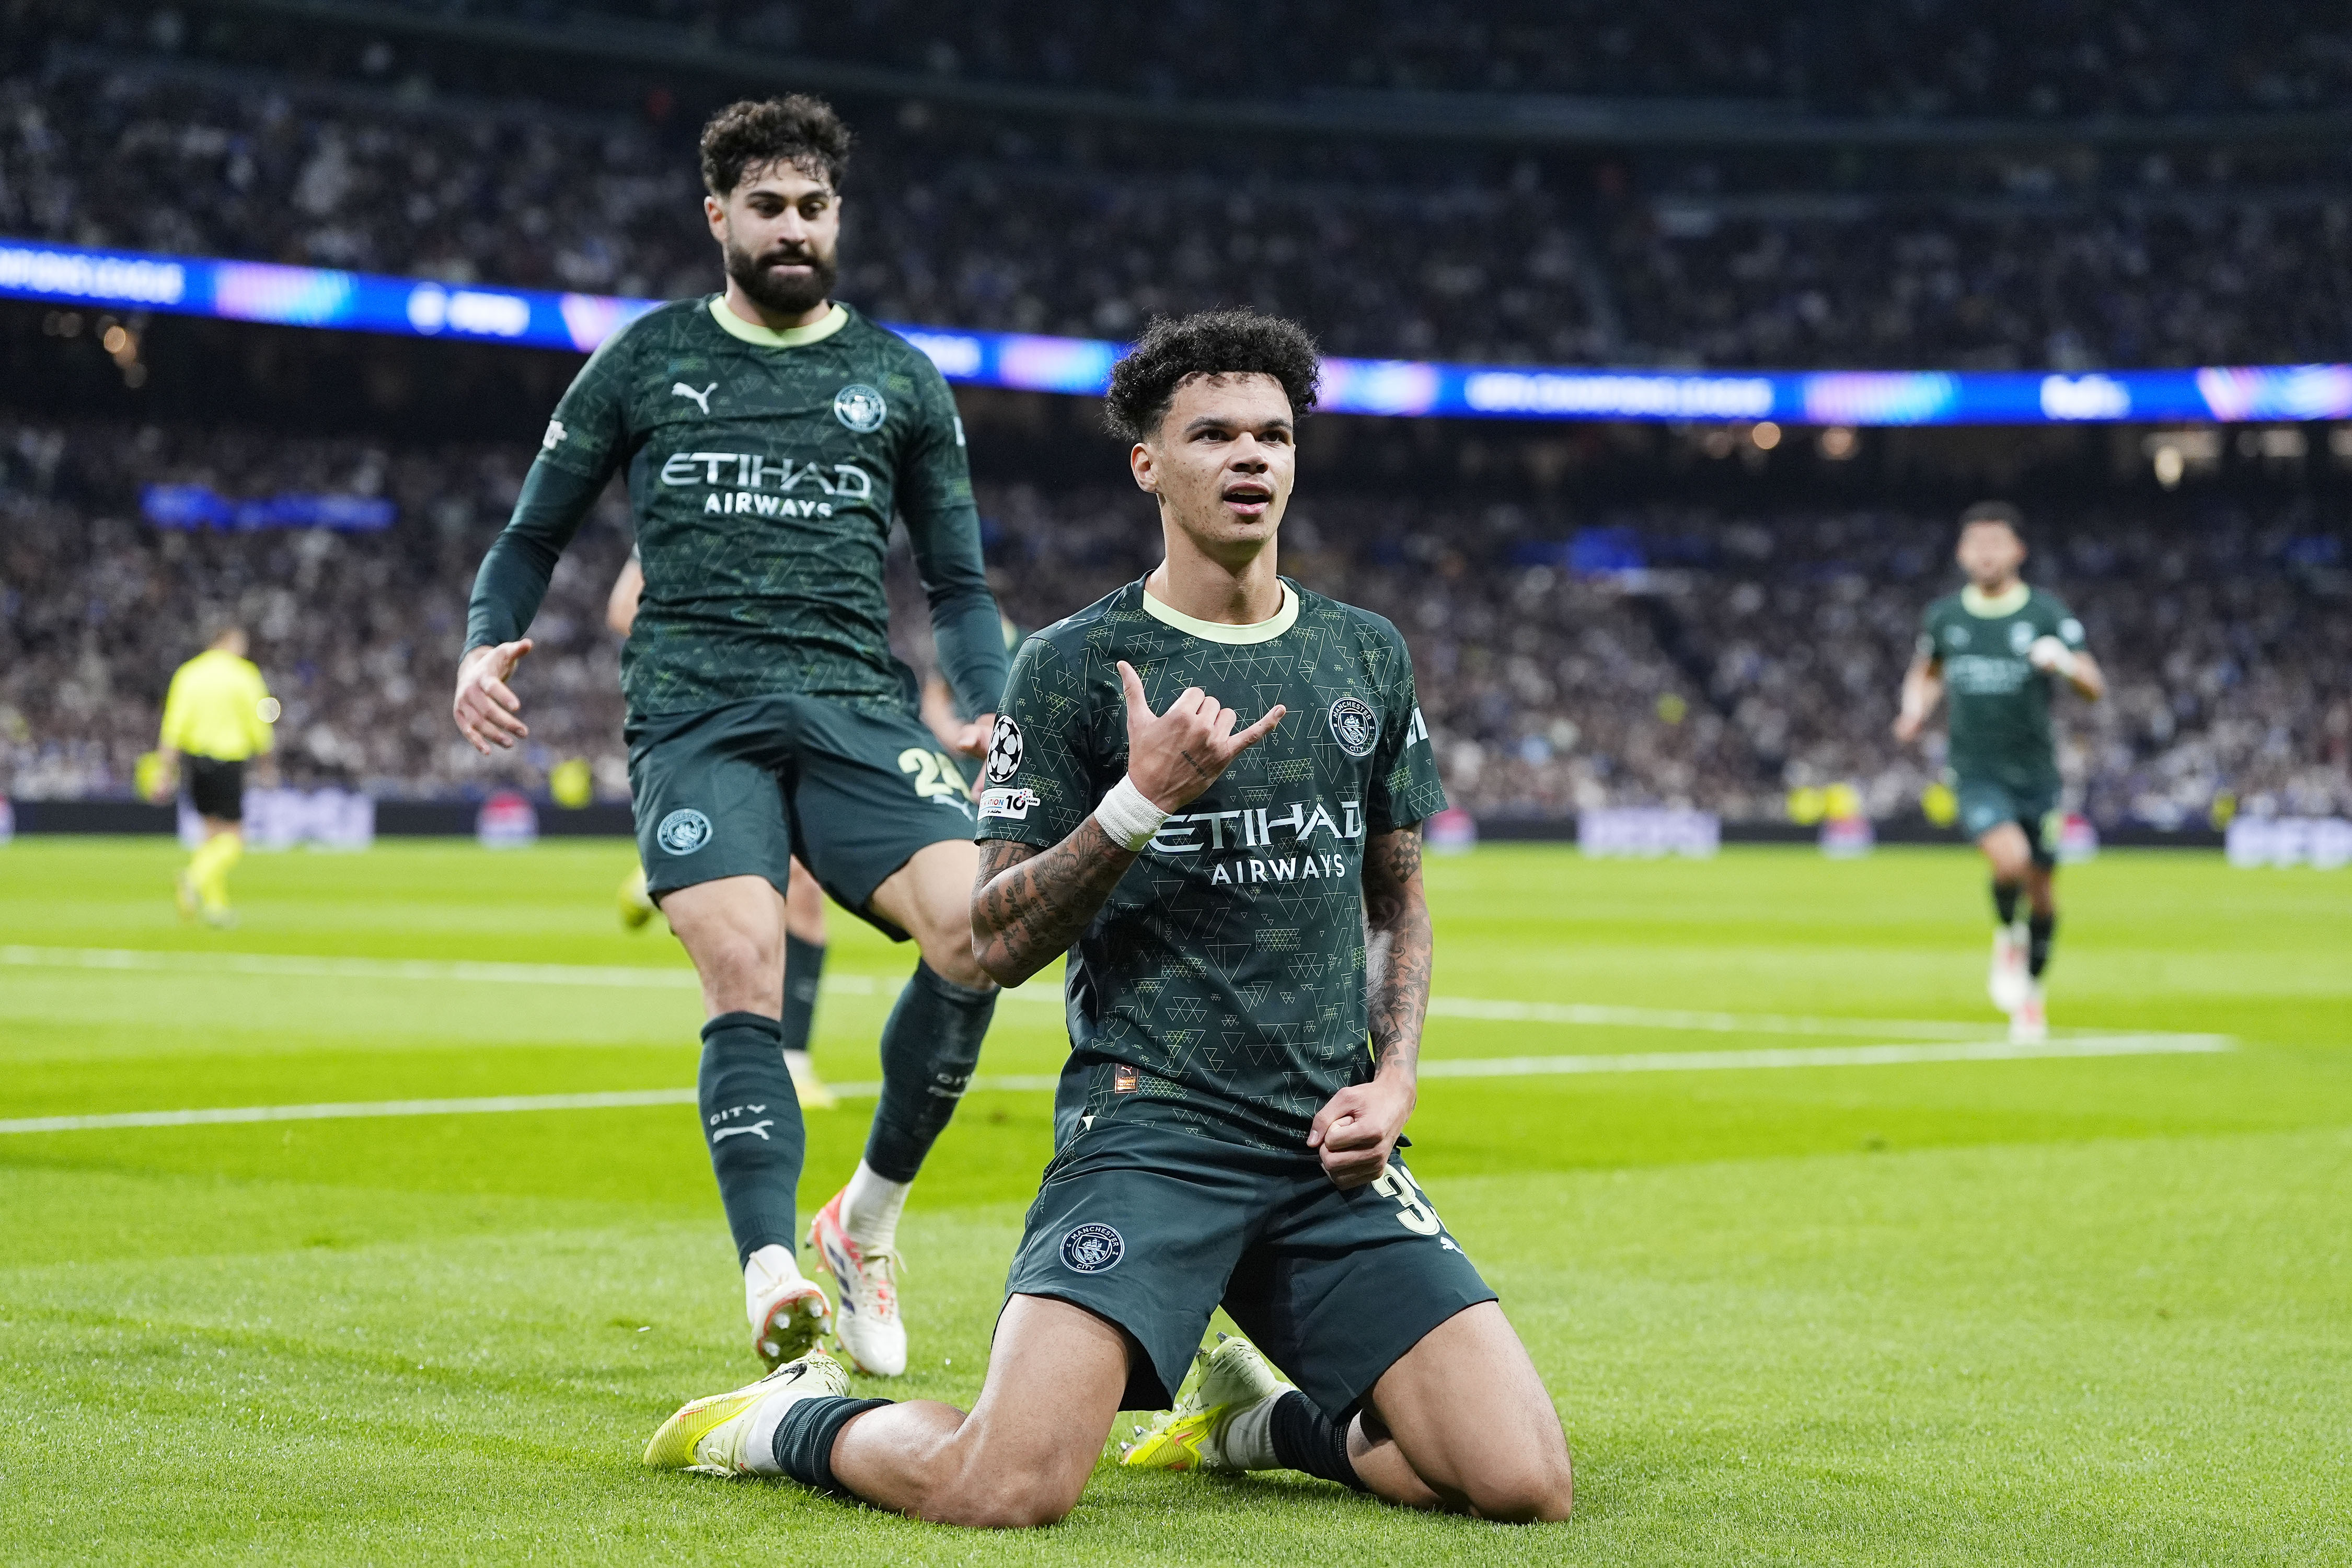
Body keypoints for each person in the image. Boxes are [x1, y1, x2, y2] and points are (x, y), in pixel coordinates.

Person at [641, 310, 1575, 1527]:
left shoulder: (1363, 654)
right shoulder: (1074, 664)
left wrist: (1393, 1076)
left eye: (1273, 434)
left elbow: (1395, 896)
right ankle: (783, 1419)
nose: (1250, 455)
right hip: (1152, 1134)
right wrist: (1138, 802)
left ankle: (1256, 1425)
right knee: (1004, 1485)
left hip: (1323, 1146)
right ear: (1148, 463)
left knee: (1521, 1481)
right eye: (1213, 435)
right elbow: (990, 939)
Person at [454, 96, 1011, 1380]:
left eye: (813, 206)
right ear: (718, 217)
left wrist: (987, 694)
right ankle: (771, 1272)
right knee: (744, 963)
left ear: (837, 217)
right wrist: (485, 642)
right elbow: (531, 536)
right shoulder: (644, 360)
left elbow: (957, 583)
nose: (793, 227)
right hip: (697, 714)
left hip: (857, 709)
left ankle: (863, 1222)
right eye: (767, 207)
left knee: (980, 936)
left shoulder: (899, 379)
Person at [609, 551, 837, 1109]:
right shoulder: (688, 510)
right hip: (711, 718)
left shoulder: (813, 522)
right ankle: (674, 865)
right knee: (785, 873)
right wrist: (711, 653)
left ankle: (794, 1062)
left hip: (793, 711)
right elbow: (623, 608)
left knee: (805, 882)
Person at [1895, 502, 2106, 1042]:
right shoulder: (1946, 617)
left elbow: (2093, 685)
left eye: (1996, 543)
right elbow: (1927, 671)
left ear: (2018, 551)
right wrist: (1915, 710)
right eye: (1977, 544)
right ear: (1962, 553)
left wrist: (2062, 661)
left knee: (2044, 891)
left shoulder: (2046, 613)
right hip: (1975, 768)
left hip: (2037, 774)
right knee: (2009, 858)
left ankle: (2031, 994)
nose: (1986, 554)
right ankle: (2007, 935)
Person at [149, 624, 277, 927]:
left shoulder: (189, 674)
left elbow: (173, 727)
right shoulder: (244, 674)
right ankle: (192, 878)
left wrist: (164, 771)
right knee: (234, 839)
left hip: (196, 762)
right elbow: (259, 725)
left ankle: (216, 908)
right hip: (229, 761)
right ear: (229, 641)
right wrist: (267, 765)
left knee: (210, 835)